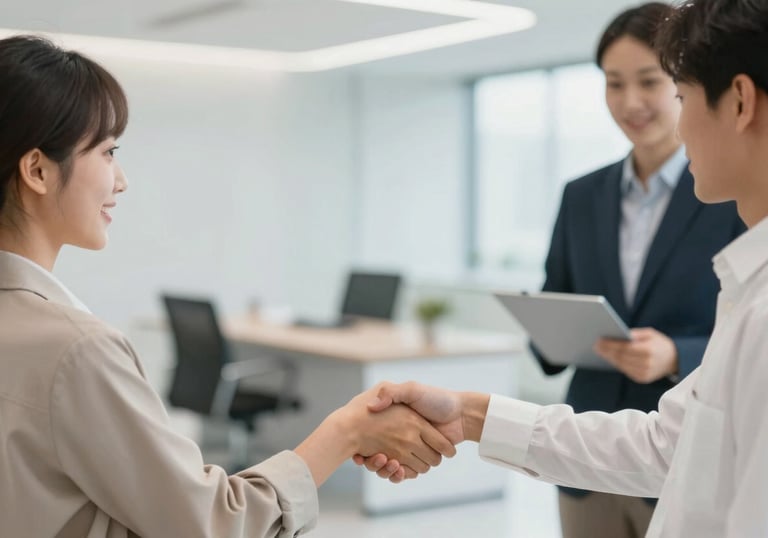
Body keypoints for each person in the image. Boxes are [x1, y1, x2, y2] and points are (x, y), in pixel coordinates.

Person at [0, 35, 456, 538]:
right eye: (108, 152)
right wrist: (346, 431)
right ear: (38, 170)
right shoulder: (77, 352)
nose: (122, 181)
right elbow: (213, 524)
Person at [358, 1, 768, 535]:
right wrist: (471, 415)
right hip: (600, 448)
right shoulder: (740, 280)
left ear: (738, 101)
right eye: (613, 84)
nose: (678, 124)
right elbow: (671, 444)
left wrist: (671, 353)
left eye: (680, 94)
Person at [539, 3, 745, 536]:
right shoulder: (581, 195)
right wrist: (546, 327)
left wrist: (677, 353)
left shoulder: (731, 190)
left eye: (650, 82)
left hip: (686, 457)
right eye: (613, 83)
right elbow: (555, 295)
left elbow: (750, 321)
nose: (630, 102)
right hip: (585, 455)